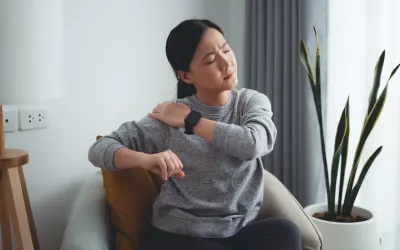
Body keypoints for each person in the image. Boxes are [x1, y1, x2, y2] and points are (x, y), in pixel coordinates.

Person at [88, 19, 301, 250]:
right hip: (181, 236)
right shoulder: (167, 118)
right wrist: (146, 160)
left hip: (239, 231)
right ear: (186, 76)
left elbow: (253, 143)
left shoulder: (250, 102)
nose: (226, 62)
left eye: (226, 49)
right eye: (210, 59)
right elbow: (99, 150)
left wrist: (192, 120)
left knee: (285, 232)